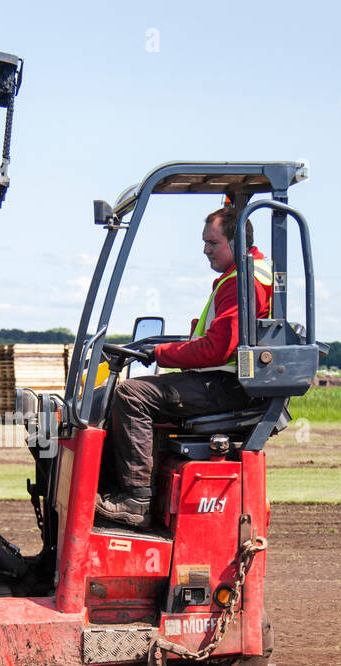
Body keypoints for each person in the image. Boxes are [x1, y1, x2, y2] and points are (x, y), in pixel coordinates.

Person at [94, 202, 274, 529]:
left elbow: (217, 349)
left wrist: (161, 353)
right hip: (229, 383)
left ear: (237, 243)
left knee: (132, 396)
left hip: (225, 385)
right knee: (139, 394)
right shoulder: (249, 272)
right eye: (204, 242)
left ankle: (135, 500)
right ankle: (123, 490)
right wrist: (162, 348)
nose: (206, 250)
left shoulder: (240, 282)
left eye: (212, 243)